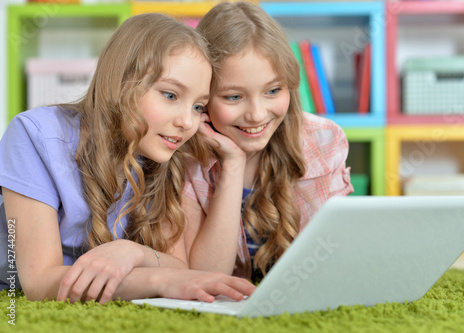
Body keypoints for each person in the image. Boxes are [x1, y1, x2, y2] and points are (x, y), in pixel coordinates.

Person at [0, 13, 255, 304]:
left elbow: (180, 267)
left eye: (198, 106)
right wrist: (156, 280)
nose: (187, 121)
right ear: (120, 84)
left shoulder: (161, 154)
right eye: (170, 95)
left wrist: (132, 252)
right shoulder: (34, 134)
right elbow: (40, 283)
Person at [183, 1, 353, 282]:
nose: (257, 115)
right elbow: (206, 277)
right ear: (203, 98)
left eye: (273, 90)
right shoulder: (187, 156)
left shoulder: (322, 141)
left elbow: (332, 264)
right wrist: (233, 166)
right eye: (234, 97)